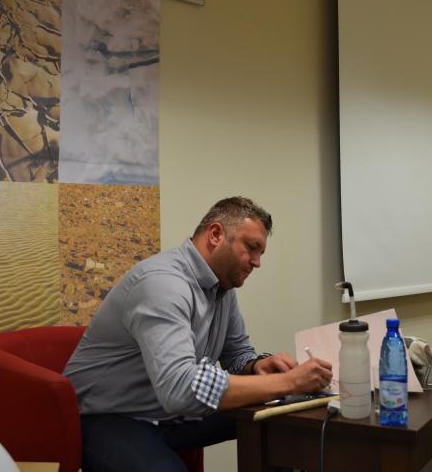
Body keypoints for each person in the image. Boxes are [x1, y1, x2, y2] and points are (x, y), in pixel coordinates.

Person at [64, 196, 333, 472]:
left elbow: (237, 356)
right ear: (216, 235)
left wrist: (256, 366)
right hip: (107, 417)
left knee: (280, 420)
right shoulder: (163, 283)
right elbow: (180, 386)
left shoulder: (223, 288)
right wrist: (288, 382)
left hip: (167, 412)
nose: (256, 262)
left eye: (261, 253)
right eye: (251, 247)